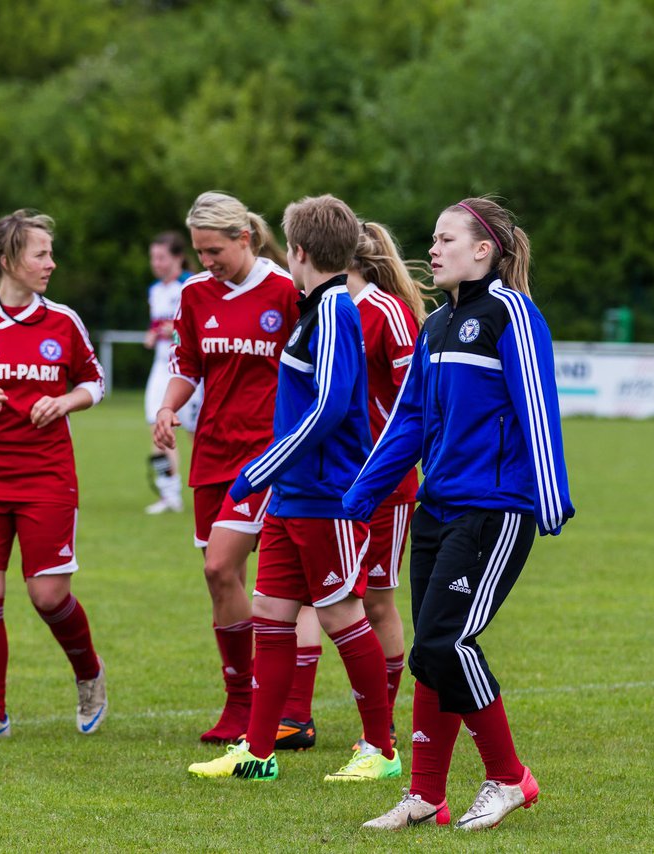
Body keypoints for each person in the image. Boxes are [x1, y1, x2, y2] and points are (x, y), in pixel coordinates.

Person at [346, 197, 574, 831]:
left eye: (447, 239)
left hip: (494, 511)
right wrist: (365, 491)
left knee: (448, 643)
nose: (434, 248)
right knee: (430, 652)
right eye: (434, 238)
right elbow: (410, 418)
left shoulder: (512, 314)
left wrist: (550, 493)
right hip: (437, 510)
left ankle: (508, 778)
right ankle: (426, 797)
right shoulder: (437, 326)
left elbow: (538, 405)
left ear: (484, 251)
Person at [187, 194, 399, 784]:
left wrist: (262, 466)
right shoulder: (315, 307)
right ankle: (258, 751)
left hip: (327, 495)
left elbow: (332, 405)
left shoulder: (332, 310)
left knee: (340, 616)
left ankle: (380, 750)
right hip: (293, 497)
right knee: (271, 614)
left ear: (299, 250)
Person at [0, 210, 108, 741]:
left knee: (48, 596)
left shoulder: (63, 321)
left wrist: (64, 402)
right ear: (10, 261)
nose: (51, 263)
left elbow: (94, 382)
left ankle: (89, 676)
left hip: (46, 475)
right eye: (41, 254)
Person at [152, 192, 300, 743]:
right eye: (199, 252)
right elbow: (186, 362)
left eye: (214, 250)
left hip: (267, 457)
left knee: (222, 568)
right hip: (211, 451)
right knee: (225, 581)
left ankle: (259, 703)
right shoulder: (194, 295)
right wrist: (168, 405)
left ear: (246, 238)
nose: (206, 261)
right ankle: (247, 707)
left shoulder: (287, 291)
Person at [277, 221, 428, 752]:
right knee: (301, 602)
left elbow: (417, 397)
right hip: (328, 485)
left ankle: (380, 728)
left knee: (377, 603)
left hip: (383, 484)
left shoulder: (385, 312)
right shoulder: (317, 309)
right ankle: (293, 717)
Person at [142, 231, 202, 515]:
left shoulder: (191, 285)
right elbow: (158, 325)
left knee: (195, 433)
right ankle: (170, 491)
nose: (157, 263)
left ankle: (211, 485)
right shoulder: (155, 290)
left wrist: (175, 331)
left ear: (178, 258)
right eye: (153, 257)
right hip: (161, 368)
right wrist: (154, 335)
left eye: (162, 257)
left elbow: (198, 326)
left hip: (188, 370)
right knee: (158, 426)